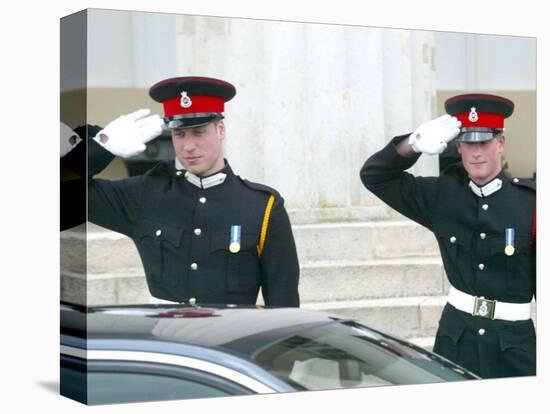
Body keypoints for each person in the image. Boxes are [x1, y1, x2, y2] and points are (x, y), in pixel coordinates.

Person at [360, 93, 536, 379]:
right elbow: (374, 176)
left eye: (484, 142)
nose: (476, 152)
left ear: (500, 143)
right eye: (468, 143)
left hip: (514, 346)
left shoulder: (531, 204)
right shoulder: (443, 196)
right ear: (458, 146)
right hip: (456, 339)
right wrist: (412, 144)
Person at [85, 76, 300, 307]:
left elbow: (284, 304)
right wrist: (101, 147)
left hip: (230, 339)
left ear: (220, 129)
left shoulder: (262, 206)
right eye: (179, 134)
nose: (188, 146)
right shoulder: (147, 193)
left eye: (198, 133)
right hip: (166, 337)